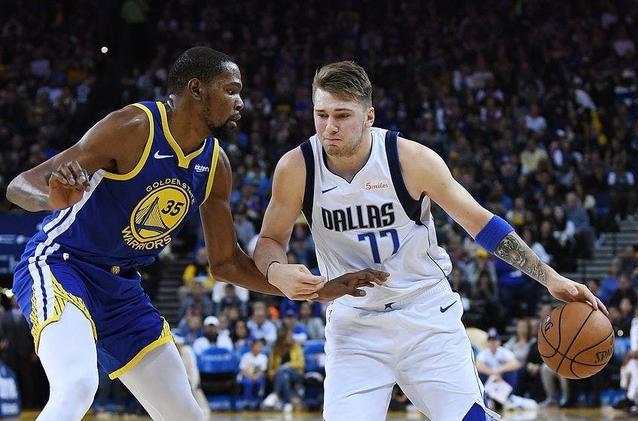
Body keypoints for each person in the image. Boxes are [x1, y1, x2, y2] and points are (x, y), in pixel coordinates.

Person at [6, 48, 386, 421]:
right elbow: (21, 185)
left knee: (186, 414)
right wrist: (52, 198)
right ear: (196, 89)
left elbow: (226, 263)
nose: (241, 102)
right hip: (62, 265)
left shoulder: (215, 165)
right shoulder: (134, 127)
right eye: (231, 90)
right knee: (77, 386)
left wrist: (316, 289)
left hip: (121, 290)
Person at [253, 60, 607, 421]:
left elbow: (481, 223)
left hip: (425, 314)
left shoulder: (410, 159)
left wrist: (549, 277)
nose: (330, 126)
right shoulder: (296, 168)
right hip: (354, 325)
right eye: (321, 114)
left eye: (342, 115)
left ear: (369, 116)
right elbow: (269, 240)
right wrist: (276, 271)